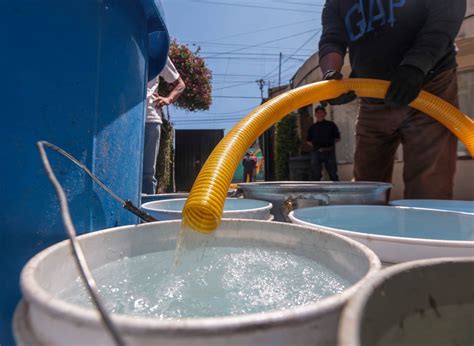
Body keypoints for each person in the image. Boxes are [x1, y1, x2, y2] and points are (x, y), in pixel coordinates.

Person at [318, 0, 466, 199]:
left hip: (429, 86)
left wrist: (416, 65)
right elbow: (332, 39)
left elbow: (446, 14)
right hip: (373, 99)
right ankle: (368, 229)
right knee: (366, 188)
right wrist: (330, 74)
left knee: (429, 188)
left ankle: (427, 227)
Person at [142, 57, 185, 194]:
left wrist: (168, 99)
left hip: (150, 118)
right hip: (123, 117)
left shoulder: (157, 52)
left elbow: (180, 84)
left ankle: (144, 212)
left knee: (147, 174)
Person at [306, 105, 341, 181]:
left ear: (325, 114)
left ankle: (336, 191)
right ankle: (316, 192)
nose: (319, 114)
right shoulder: (312, 127)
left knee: (333, 174)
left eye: (321, 112)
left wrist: (329, 144)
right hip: (316, 153)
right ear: (315, 115)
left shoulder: (331, 125)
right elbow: (308, 141)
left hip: (329, 152)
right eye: (317, 112)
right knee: (316, 175)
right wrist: (317, 147)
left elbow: (337, 138)